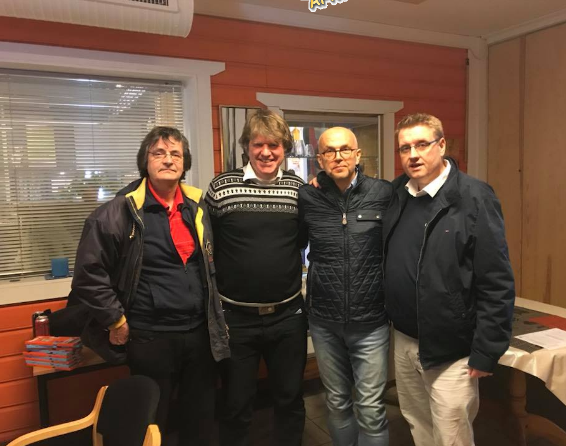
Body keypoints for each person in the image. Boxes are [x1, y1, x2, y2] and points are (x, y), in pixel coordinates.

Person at [69, 126, 229, 446]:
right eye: (159, 153)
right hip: (150, 337)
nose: (168, 160)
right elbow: (88, 273)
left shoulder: (198, 206)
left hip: (200, 334)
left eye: (176, 154)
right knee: (152, 422)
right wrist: (115, 320)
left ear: (185, 162)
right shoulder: (119, 211)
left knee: (200, 419)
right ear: (145, 160)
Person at [383, 113, 515, 446]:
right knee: (418, 425)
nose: (413, 155)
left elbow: (496, 280)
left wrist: (487, 350)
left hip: (451, 349)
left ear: (441, 145)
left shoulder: (474, 197)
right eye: (405, 148)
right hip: (404, 340)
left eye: (422, 144)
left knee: (451, 435)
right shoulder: (398, 193)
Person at [205, 109, 307, 446]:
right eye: (258, 144)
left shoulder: (297, 189)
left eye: (274, 145)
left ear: (284, 148)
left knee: (290, 400)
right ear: (246, 146)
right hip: (236, 320)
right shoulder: (222, 188)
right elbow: (208, 246)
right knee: (236, 405)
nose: (266, 152)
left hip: (288, 316)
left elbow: (301, 240)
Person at [298, 127, 393, 446]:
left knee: (371, 408)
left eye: (344, 149)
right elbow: (295, 242)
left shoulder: (383, 193)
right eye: (329, 151)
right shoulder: (307, 196)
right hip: (324, 322)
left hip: (371, 321)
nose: (338, 156)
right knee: (337, 402)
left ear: (357, 154)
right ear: (319, 159)